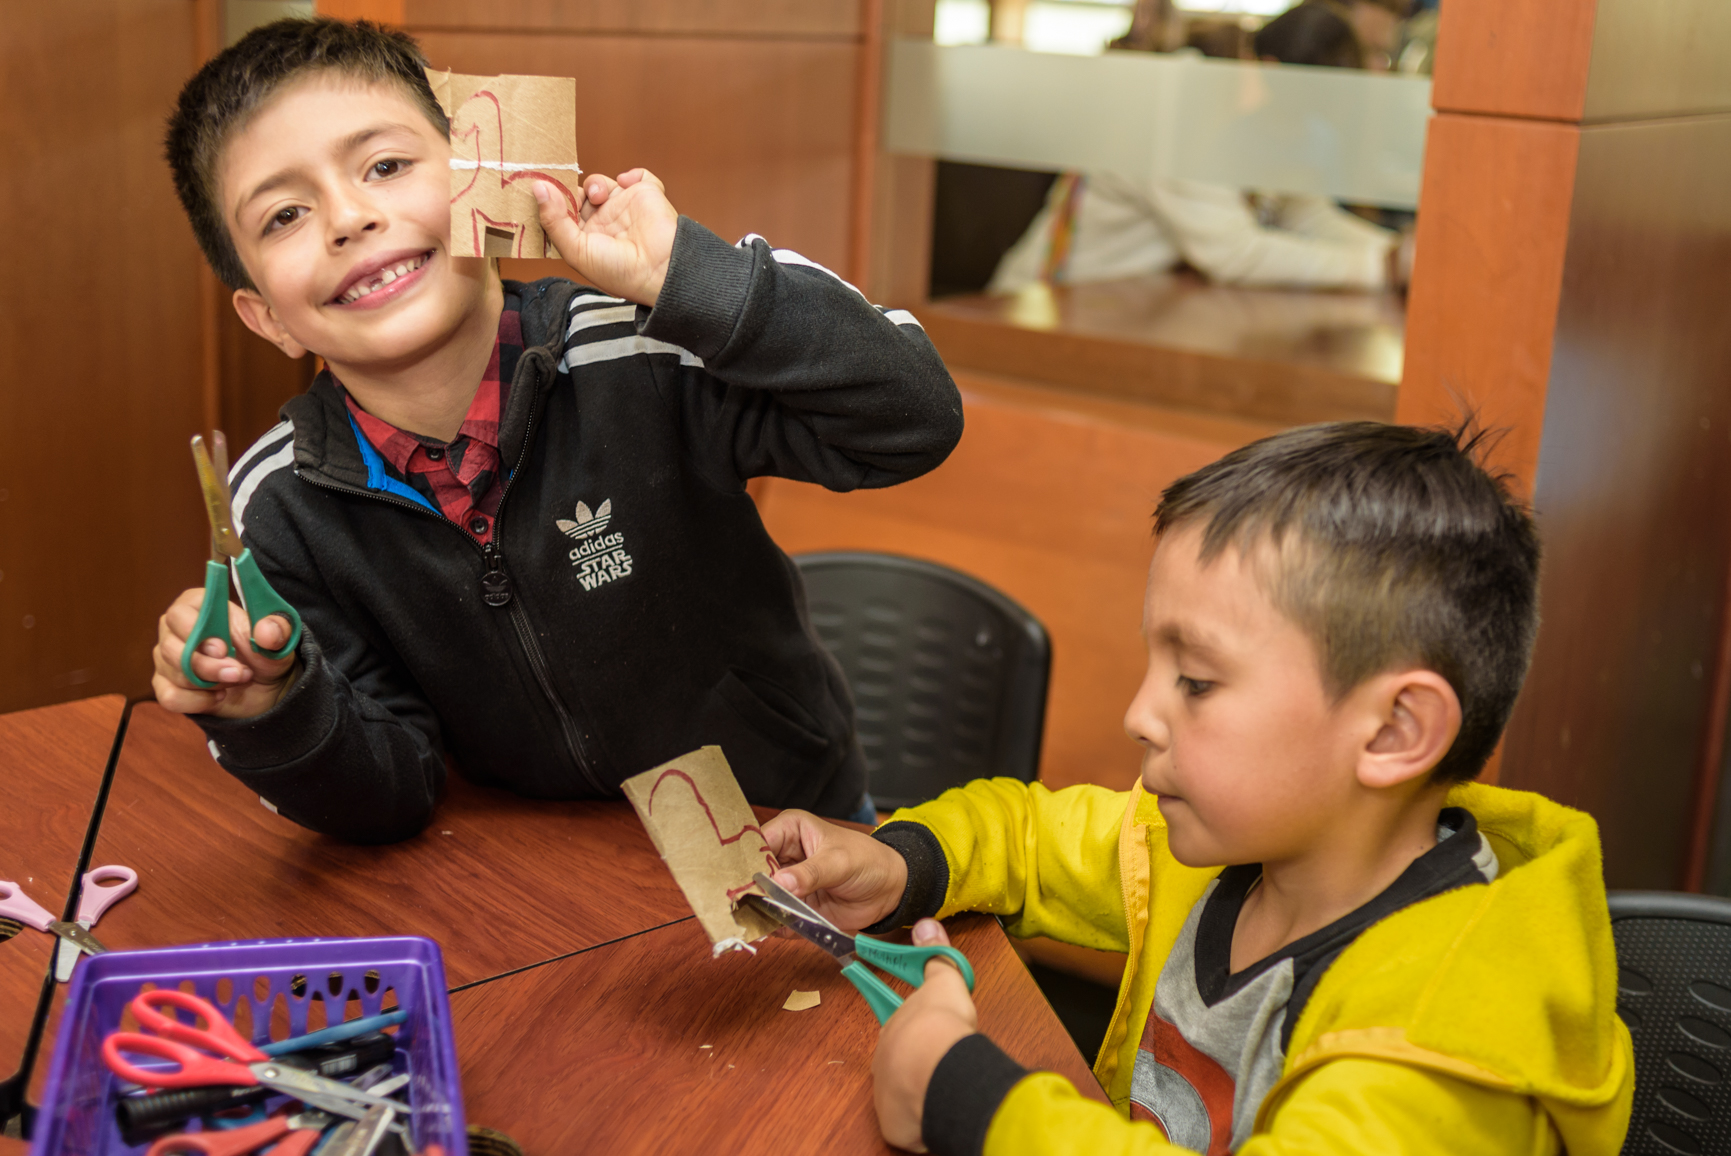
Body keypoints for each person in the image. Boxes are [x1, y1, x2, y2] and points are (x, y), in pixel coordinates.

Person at [149, 18, 963, 842]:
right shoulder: (281, 501)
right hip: (539, 869)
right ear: (265, 318)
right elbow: (387, 793)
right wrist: (272, 704)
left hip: (789, 827)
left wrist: (689, 278)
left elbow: (911, 420)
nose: (348, 218)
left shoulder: (647, 348)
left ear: (481, 177)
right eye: (285, 215)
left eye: (386, 166)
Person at [761, 422, 1634, 1155]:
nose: (1141, 713)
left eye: (1199, 682)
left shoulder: (1441, 1043)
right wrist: (899, 860)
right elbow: (1029, 836)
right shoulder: (1237, 848)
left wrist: (966, 1097)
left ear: (1394, 731)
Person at [989, 4, 1409, 295]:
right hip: (1048, 301)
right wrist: (1381, 268)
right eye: (1306, 110)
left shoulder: (1273, 115)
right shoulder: (1179, 112)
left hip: (1137, 302)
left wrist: (1399, 252)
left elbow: (1303, 214)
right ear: (1273, 70)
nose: (1304, 130)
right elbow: (1233, 253)